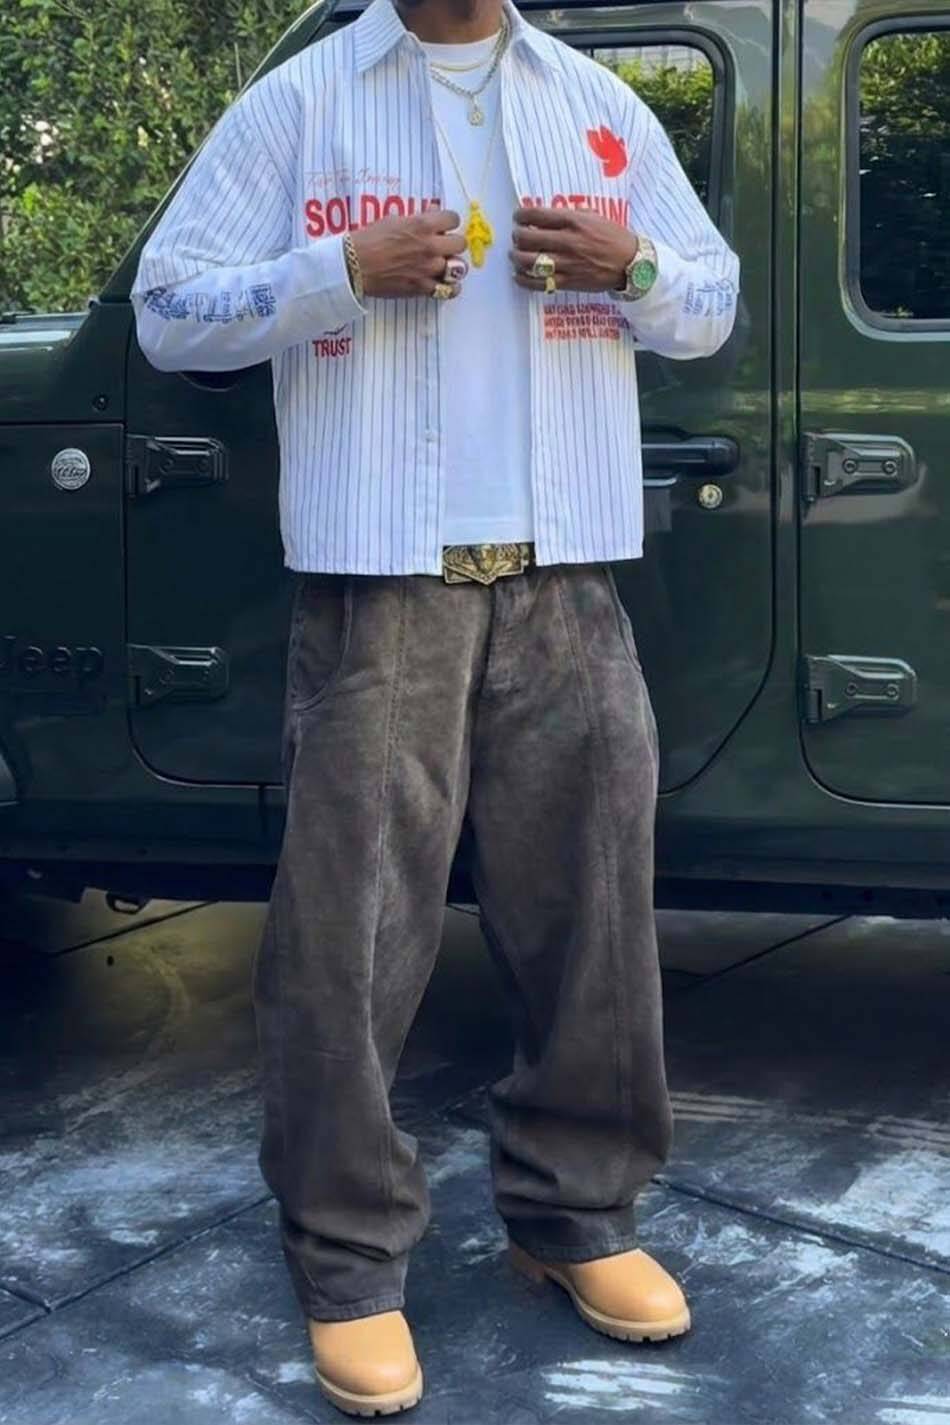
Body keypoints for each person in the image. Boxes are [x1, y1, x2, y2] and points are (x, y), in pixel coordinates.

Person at [131, 0, 739, 1413]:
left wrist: (635, 263)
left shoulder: (593, 101)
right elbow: (168, 312)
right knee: (348, 937)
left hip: (567, 576)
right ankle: (348, 1259)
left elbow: (707, 308)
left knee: (593, 916)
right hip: (378, 580)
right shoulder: (304, 102)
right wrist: (337, 271)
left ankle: (577, 1217)